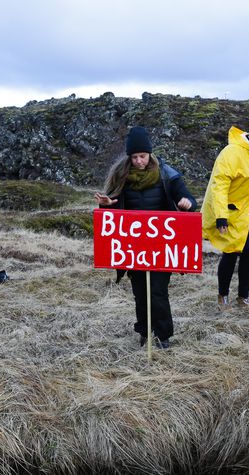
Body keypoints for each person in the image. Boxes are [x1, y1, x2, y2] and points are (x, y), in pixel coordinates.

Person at [95, 126, 197, 349]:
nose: (139, 161)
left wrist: (187, 203)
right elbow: (111, 217)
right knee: (140, 292)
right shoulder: (120, 177)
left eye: (142, 156)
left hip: (161, 247)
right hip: (134, 249)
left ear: (150, 154)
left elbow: (187, 197)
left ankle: (163, 336)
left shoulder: (166, 174)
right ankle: (144, 331)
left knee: (158, 291)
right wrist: (104, 206)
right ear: (129, 157)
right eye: (134, 157)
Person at [201, 110, 249, 311]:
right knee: (231, 253)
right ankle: (222, 296)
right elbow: (219, 186)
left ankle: (243, 297)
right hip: (231, 214)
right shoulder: (230, 153)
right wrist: (221, 216)